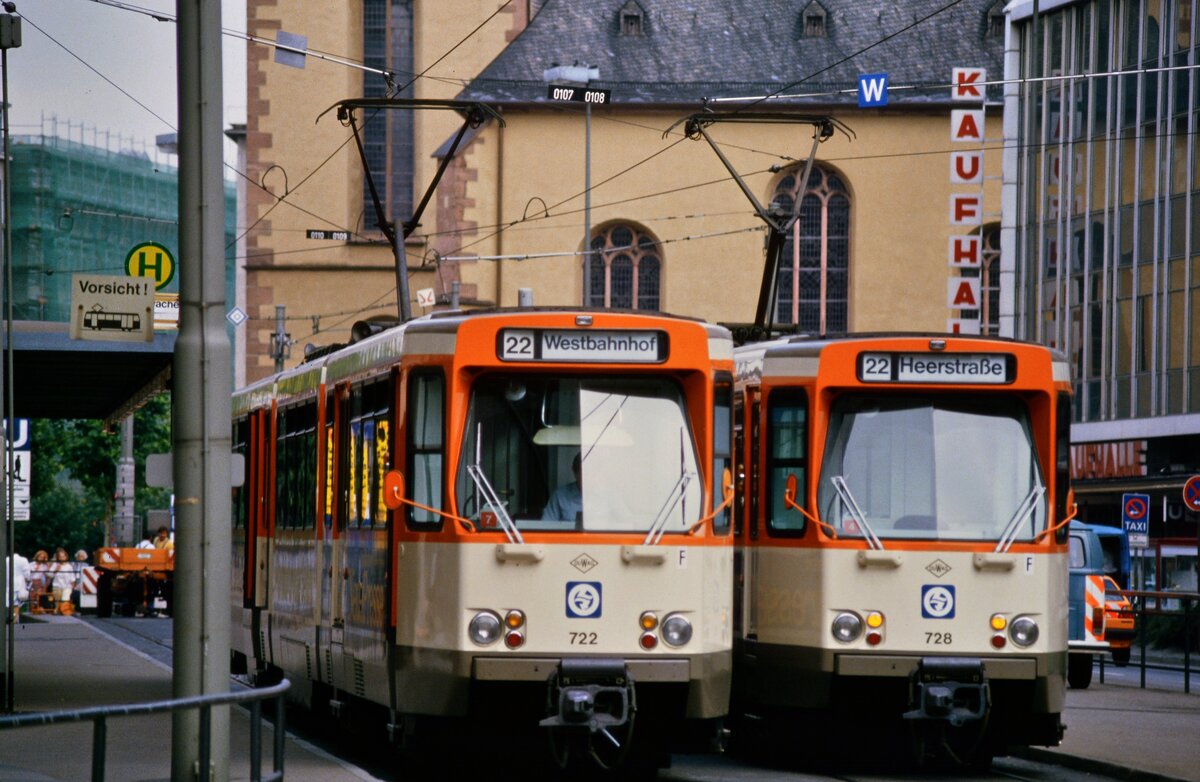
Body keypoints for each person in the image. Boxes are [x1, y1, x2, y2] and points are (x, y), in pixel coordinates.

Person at [542, 453, 583, 522]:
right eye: (584, 472)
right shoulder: (560, 496)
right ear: (575, 473)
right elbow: (545, 525)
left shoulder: (602, 497)